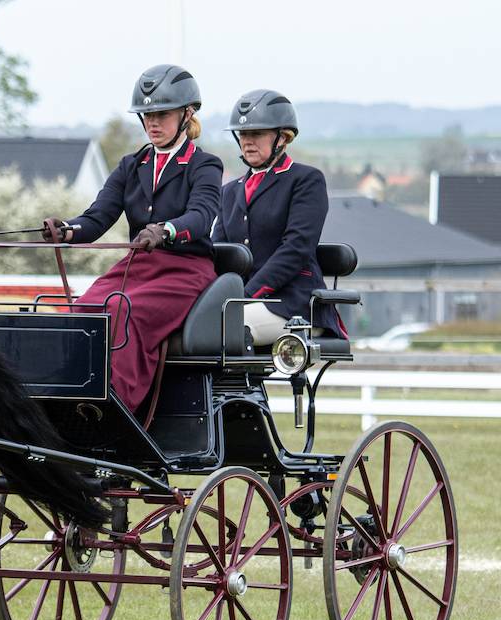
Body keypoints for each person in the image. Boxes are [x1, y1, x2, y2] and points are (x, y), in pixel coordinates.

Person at [43, 64, 222, 411]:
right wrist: (67, 230)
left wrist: (166, 230)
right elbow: (98, 217)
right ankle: (67, 392)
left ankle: (117, 402)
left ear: (187, 115)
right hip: (138, 267)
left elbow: (202, 216)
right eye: (147, 115)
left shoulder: (205, 165)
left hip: (186, 271)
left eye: (162, 114)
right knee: (86, 307)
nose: (153, 123)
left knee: (121, 308)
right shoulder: (131, 165)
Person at [213, 89, 344, 344]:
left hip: (293, 303)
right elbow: (220, 252)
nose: (247, 141)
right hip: (240, 301)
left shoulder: (306, 181)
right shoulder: (229, 192)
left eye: (257, 133)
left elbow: (296, 248)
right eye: (243, 134)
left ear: (283, 137)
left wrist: (246, 294)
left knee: (217, 327)